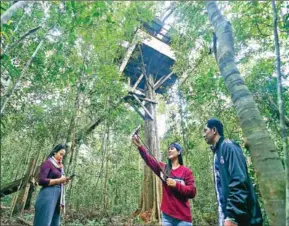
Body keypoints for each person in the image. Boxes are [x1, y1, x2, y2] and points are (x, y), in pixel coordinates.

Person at [203, 118, 263, 226]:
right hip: (228, 216)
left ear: (214, 130)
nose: (203, 135)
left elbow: (239, 179)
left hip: (241, 218)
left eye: (205, 130)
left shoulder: (228, 146)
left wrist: (232, 215)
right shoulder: (218, 152)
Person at [132, 136, 196, 226]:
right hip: (167, 217)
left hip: (183, 217)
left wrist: (176, 185)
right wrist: (140, 146)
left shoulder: (186, 171)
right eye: (168, 149)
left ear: (179, 152)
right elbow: (149, 160)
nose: (169, 150)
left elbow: (192, 192)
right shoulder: (164, 168)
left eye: (172, 148)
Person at [33, 144, 71, 226]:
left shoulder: (60, 167)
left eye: (63, 155)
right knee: (43, 221)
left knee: (54, 222)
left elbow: (59, 180)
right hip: (48, 195)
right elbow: (41, 181)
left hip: (58, 197)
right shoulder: (48, 163)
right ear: (54, 152)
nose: (62, 157)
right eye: (60, 154)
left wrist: (64, 181)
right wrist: (59, 180)